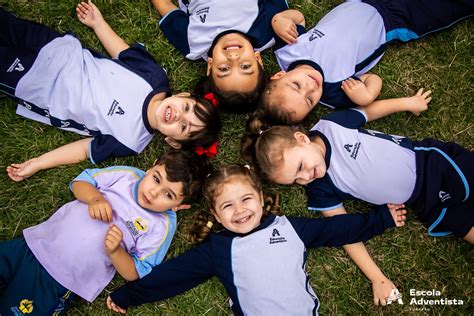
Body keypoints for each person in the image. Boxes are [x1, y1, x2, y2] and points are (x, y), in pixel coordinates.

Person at [105, 164, 406, 314]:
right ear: (215, 214)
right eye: (227, 206)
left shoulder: (290, 228)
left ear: (261, 198)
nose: (239, 211)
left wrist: (381, 219)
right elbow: (174, 276)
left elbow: (335, 230)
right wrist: (128, 296)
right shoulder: (218, 249)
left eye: (246, 199)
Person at [0, 1, 221, 182]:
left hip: (37, 85)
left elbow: (85, 149)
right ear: (182, 95)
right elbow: (122, 53)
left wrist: (39, 163)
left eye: (183, 126)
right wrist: (98, 24)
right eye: (186, 108)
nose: (178, 116)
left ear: (173, 142)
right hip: (56, 48)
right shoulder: (155, 78)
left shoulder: (131, 141)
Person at [0, 150, 212, 314]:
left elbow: (136, 272)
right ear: (152, 167)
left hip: (58, 280)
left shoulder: (162, 226)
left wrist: (115, 251)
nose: (153, 192)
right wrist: (95, 198)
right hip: (31, 245)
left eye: (168, 194)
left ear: (179, 206)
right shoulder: (126, 176)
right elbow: (80, 182)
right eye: (156, 179)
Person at [241, 99, 474, 243]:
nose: (305, 177)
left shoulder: (331, 126)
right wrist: (376, 277)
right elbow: (343, 230)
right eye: (296, 180)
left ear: (302, 139)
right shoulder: (321, 188)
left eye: (300, 167)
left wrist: (407, 103)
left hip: (430, 163)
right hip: (423, 201)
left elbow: (368, 112)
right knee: (462, 225)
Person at [256, 0, 474, 124]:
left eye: (296, 86)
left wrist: (281, 20)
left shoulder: (286, 51)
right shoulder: (334, 92)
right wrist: (367, 95)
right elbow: (372, 78)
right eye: (310, 100)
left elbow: (299, 18)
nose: (311, 87)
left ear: (279, 75)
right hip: (396, 21)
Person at [152, 0, 304, 112]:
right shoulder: (267, 31)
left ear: (210, 66)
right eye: (245, 66)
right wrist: (281, 19)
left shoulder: (193, 43)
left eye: (224, 69)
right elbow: (295, 15)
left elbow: (165, 5)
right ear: (258, 59)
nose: (233, 57)